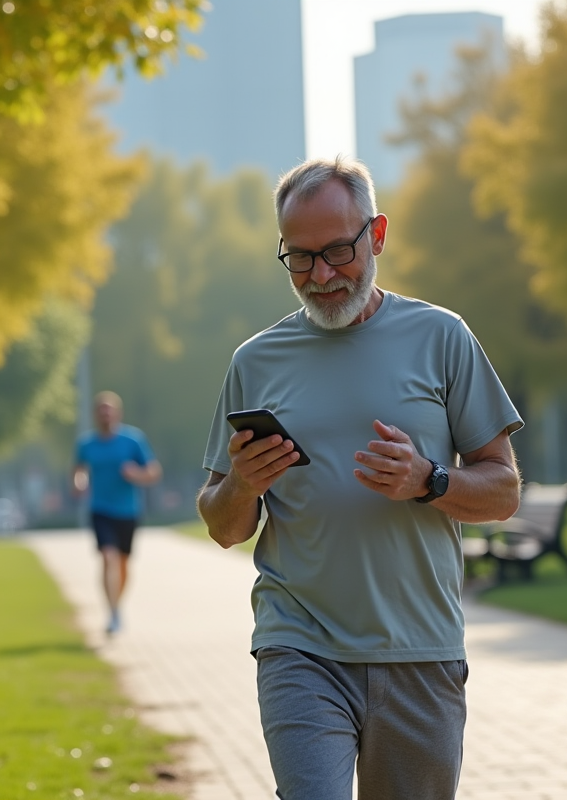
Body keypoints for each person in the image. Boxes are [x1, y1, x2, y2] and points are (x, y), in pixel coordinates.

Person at [196, 155, 523, 799]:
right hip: (300, 646)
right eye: (299, 257)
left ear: (376, 236)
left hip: (419, 650)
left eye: (338, 251)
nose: (320, 275)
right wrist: (242, 484)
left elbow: (504, 490)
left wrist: (430, 480)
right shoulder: (256, 361)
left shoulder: (442, 337)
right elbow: (223, 525)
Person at [73, 391, 162, 635]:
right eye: (101, 410)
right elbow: (78, 470)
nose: (105, 414)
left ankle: (116, 605)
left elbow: (153, 472)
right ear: (95, 415)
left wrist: (136, 474)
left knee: (122, 563)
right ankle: (111, 611)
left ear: (117, 413)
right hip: (100, 509)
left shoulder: (133, 440)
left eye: (109, 409)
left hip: (128, 510)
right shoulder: (86, 444)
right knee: (107, 557)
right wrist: (79, 482)